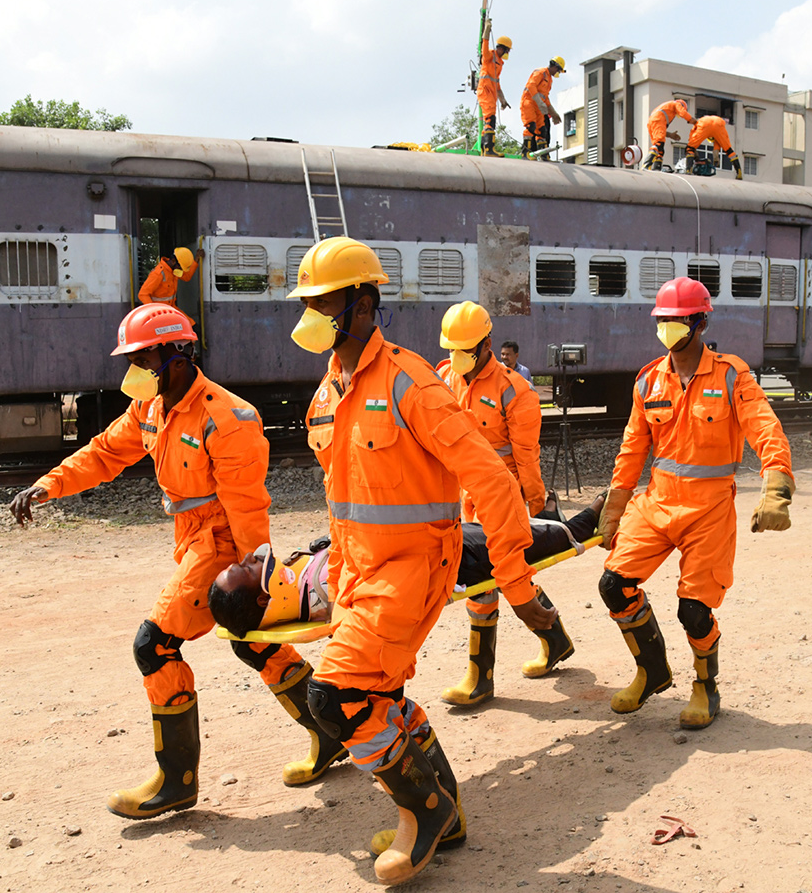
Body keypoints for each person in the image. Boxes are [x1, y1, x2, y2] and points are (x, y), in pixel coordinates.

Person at [287, 236, 557, 885]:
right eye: (309, 302)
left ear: (361, 305)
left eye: (324, 301)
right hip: (359, 573)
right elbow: (343, 500)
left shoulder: (411, 383)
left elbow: (490, 480)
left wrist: (511, 565)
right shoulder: (325, 397)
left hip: (414, 568)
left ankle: (425, 810)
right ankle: (449, 815)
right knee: (379, 694)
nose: (312, 312)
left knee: (334, 695)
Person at [7, 303, 343, 821]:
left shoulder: (228, 418)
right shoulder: (153, 407)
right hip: (191, 541)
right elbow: (103, 453)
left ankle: (177, 781)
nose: (134, 370)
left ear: (179, 355)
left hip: (223, 547)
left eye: (144, 358)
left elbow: (248, 507)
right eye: (133, 359)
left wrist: (259, 579)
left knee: (154, 644)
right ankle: (330, 733)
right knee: (253, 646)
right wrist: (47, 484)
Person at [595, 277, 794, 731]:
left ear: (700, 322)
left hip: (709, 509)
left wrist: (776, 487)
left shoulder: (730, 375)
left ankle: (705, 686)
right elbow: (632, 448)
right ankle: (652, 670)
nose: (668, 328)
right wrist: (615, 505)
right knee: (613, 586)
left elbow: (764, 427)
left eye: (678, 320)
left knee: (694, 610)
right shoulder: (648, 380)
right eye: (663, 320)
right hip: (658, 502)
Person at [208, 498, 605, 641]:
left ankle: (551, 519)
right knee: (517, 541)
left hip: (427, 541)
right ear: (264, 596)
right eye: (246, 567)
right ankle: (587, 523)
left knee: (516, 528)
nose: (250, 558)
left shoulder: (297, 584)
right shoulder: (325, 596)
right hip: (447, 561)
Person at [436, 302, 573, 707]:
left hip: (504, 495)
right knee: (501, 575)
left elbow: (527, 455)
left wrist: (535, 503)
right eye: (451, 350)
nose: (456, 358)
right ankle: (556, 641)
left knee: (488, 578)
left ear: (487, 345)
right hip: (465, 495)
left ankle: (480, 679)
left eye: (464, 350)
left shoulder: (515, 390)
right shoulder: (445, 378)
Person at [477, 19, 512, 157]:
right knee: (490, 119)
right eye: (506, 50)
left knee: (489, 121)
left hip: (491, 92)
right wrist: (486, 30)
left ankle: (485, 150)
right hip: (485, 91)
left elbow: (497, 84)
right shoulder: (489, 56)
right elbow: (484, 45)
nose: (506, 53)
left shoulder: (500, 64)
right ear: (502, 48)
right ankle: (489, 149)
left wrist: (503, 100)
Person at [520, 57, 565, 157]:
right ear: (554, 66)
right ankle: (525, 153)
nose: (557, 73)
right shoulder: (541, 72)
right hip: (529, 103)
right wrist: (540, 102)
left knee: (542, 130)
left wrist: (553, 114)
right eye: (558, 70)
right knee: (530, 126)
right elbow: (531, 86)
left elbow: (545, 97)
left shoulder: (549, 79)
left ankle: (543, 154)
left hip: (539, 107)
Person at [138, 247, 203, 309]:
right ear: (173, 261)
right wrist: (154, 311)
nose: (181, 270)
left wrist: (197, 259)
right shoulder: (158, 274)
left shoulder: (174, 270)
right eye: (180, 268)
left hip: (171, 309)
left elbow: (187, 276)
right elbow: (143, 294)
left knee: (189, 321)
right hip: (160, 311)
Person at [643, 99, 695, 171]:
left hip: (652, 122)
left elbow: (660, 128)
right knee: (659, 143)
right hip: (658, 120)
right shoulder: (676, 104)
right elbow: (683, 113)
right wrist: (692, 120)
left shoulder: (667, 108)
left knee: (659, 148)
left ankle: (656, 168)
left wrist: (670, 135)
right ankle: (646, 164)